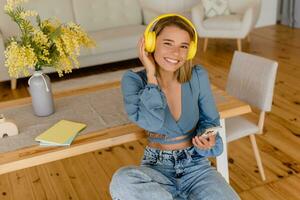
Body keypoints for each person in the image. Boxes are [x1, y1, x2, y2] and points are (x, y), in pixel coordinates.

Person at [109, 13, 240, 200]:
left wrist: (207, 141)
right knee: (122, 180)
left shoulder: (198, 76)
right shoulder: (133, 80)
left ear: (191, 51)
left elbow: (210, 122)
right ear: (151, 44)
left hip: (197, 168)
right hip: (157, 168)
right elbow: (152, 123)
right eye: (168, 43)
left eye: (183, 46)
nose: (176, 53)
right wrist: (151, 76)